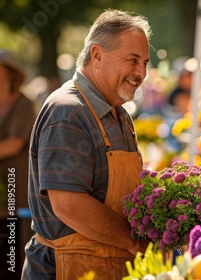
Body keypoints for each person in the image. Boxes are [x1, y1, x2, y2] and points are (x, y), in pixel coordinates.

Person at [22, 9, 151, 279]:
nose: (141, 73)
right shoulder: (69, 112)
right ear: (97, 55)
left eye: (145, 63)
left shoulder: (119, 113)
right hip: (65, 267)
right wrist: (133, 241)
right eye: (133, 60)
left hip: (105, 264)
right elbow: (69, 204)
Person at [0, 49, 36, 280]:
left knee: (15, 240)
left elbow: (14, 144)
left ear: (10, 73)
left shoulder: (24, 103)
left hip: (16, 183)